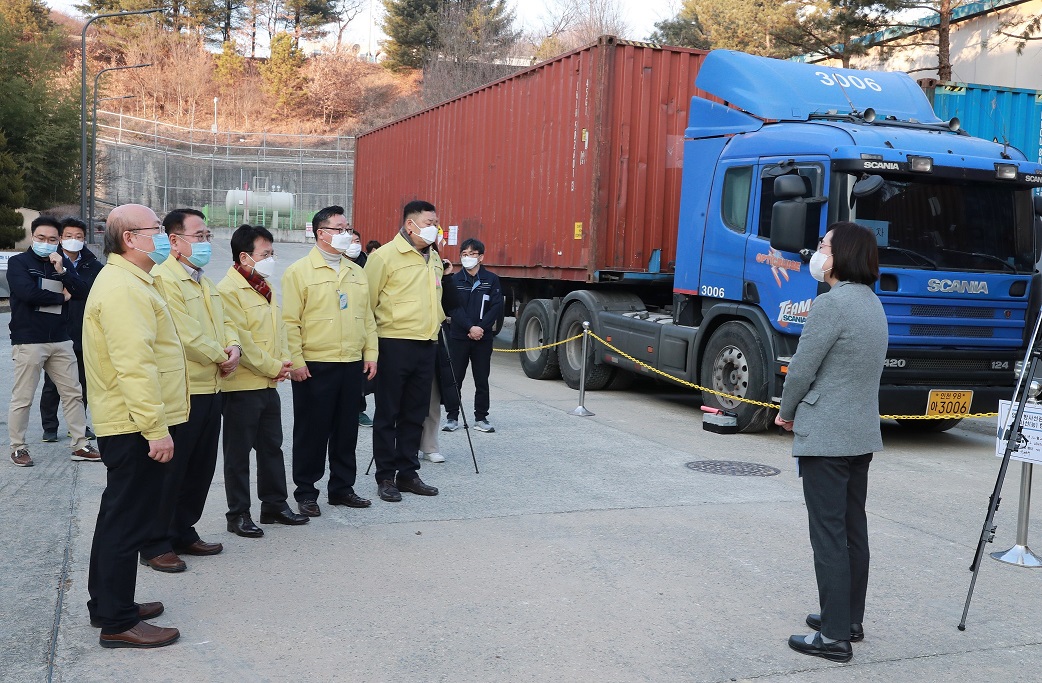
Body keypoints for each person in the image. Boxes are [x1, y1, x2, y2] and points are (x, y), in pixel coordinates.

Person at [775, 222, 887, 664]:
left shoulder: (830, 305)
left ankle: (834, 637)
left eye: (823, 246)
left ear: (840, 256)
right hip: (860, 432)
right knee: (851, 529)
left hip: (827, 435)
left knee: (828, 534)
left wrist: (786, 411)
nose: (817, 252)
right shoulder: (873, 304)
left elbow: (802, 368)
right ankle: (848, 619)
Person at [83, 203, 189, 648]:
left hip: (130, 421)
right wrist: (155, 428)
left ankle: (107, 604)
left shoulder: (131, 281)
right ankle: (117, 621)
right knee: (125, 521)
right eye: (157, 230)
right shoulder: (124, 288)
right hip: (132, 425)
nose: (163, 237)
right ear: (130, 238)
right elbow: (135, 366)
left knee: (119, 518)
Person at [137, 209, 239, 573]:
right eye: (199, 235)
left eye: (208, 235)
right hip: (183, 390)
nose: (206, 242)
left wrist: (234, 348)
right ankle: (154, 542)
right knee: (172, 471)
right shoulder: (164, 279)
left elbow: (226, 321)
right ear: (174, 241)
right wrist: (220, 355)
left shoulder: (203, 280)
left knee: (200, 467)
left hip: (211, 386)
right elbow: (183, 332)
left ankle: (183, 530)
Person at [283, 206, 378, 517]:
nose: (346, 235)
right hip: (315, 364)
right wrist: (295, 360)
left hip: (351, 362)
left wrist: (371, 354)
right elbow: (289, 322)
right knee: (312, 430)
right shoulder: (299, 272)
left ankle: (341, 488)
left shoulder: (356, 272)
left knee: (346, 429)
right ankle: (306, 491)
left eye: (347, 228)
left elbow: (368, 319)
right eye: (339, 229)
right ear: (320, 233)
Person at [217, 225, 309, 537]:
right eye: (265, 254)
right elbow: (241, 339)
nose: (271, 259)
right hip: (242, 384)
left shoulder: (263, 286)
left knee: (272, 447)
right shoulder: (228, 291)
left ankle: (274, 505)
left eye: (272, 253)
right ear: (244, 257)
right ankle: (238, 513)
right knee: (238, 453)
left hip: (268, 383)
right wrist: (274, 366)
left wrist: (284, 362)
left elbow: (279, 330)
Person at [365, 200, 445, 502]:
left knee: (416, 412)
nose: (433, 228)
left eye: (435, 222)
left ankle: (408, 472)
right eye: (428, 222)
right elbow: (368, 304)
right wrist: (371, 350)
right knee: (388, 413)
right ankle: (386, 476)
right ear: (410, 225)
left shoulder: (433, 258)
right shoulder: (384, 257)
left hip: (427, 344)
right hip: (393, 343)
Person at [7, 215, 100, 467]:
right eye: (40, 238)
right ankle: (18, 447)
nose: (45, 243)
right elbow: (27, 293)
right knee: (23, 397)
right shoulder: (19, 263)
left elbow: (82, 291)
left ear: (58, 240)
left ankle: (80, 443)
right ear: (32, 236)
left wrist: (62, 271)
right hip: (29, 340)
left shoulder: (60, 264)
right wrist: (61, 298)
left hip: (61, 338)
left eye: (51, 239)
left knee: (73, 394)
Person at [39, 217, 103, 442]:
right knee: (52, 383)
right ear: (60, 238)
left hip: (84, 330)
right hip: (57, 330)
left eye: (78, 237)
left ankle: (78, 425)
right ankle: (49, 426)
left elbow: (93, 293)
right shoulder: (48, 261)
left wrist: (72, 288)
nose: (73, 240)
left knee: (82, 383)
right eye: (68, 236)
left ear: (84, 239)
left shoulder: (93, 265)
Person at [442, 238, 504, 434]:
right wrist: (470, 327)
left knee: (481, 378)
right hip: (459, 336)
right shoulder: (454, 280)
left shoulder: (491, 279)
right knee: (455, 378)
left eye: (472, 254)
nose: (468, 258)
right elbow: (453, 307)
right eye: (464, 254)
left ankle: (481, 417)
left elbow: (496, 307)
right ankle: (452, 416)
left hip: (482, 338)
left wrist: (480, 328)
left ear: (481, 257)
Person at [345, 228, 373, 427]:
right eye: (351, 241)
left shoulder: (367, 265)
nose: (354, 244)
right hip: (345, 323)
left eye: (357, 241)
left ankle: (359, 409)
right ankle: (349, 409)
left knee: (361, 373)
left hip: (364, 322)